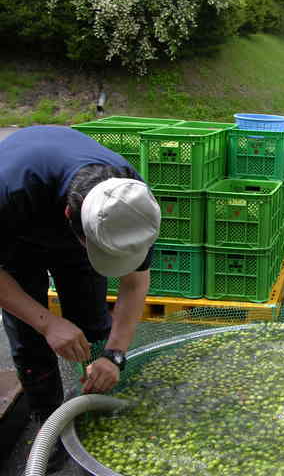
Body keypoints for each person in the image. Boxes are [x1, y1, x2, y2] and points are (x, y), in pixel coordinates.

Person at [0, 126, 161, 469]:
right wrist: (47, 324)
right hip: (16, 232)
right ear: (71, 220)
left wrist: (115, 354)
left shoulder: (130, 203)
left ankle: (96, 401)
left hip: (79, 227)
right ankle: (49, 420)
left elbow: (135, 283)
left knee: (90, 320)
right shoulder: (9, 190)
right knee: (30, 338)